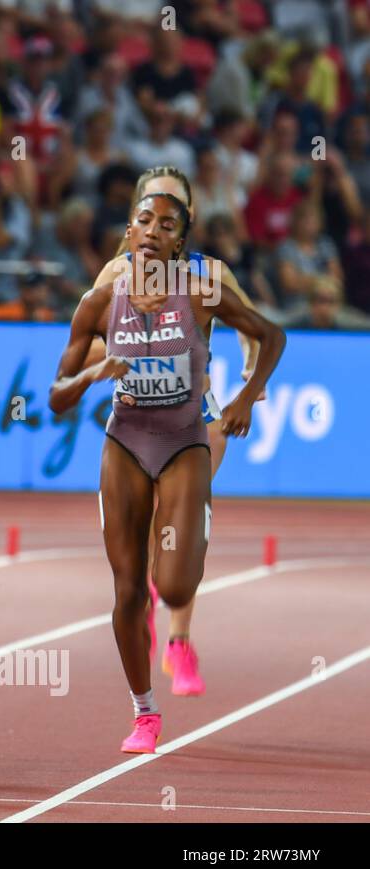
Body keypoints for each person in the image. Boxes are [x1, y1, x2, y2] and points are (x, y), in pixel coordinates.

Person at [52, 190, 284, 753]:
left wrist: (248, 397)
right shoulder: (99, 301)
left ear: (181, 242)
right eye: (144, 221)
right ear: (129, 234)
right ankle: (145, 713)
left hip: (184, 439)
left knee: (174, 583)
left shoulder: (204, 292)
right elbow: (57, 396)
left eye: (167, 224)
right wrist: (91, 375)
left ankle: (179, 630)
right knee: (128, 590)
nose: (154, 230)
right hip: (126, 441)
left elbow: (270, 334)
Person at [90, 165, 265, 695]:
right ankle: (143, 603)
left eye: (171, 207)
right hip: (140, 420)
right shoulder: (115, 274)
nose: (157, 220)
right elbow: (89, 341)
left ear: (184, 222)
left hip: (200, 418)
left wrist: (247, 388)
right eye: (150, 206)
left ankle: (179, 643)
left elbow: (252, 334)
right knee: (146, 534)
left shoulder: (210, 275)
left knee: (184, 532)